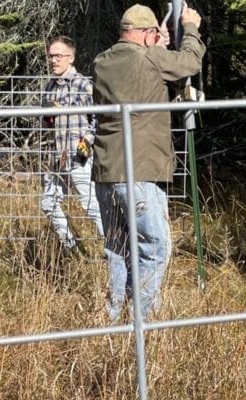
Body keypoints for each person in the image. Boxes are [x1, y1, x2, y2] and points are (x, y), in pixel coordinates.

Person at [92, 3, 205, 321]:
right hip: (139, 168)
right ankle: (142, 320)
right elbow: (190, 62)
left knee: (117, 245)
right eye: (153, 33)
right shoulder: (151, 57)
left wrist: (156, 44)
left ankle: (112, 316)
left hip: (106, 168)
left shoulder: (102, 61)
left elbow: (142, 79)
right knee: (155, 245)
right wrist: (192, 28)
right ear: (145, 34)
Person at [39, 36, 104, 253]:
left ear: (71, 57)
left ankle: (112, 250)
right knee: (48, 203)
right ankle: (71, 249)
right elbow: (47, 122)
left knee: (90, 205)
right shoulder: (50, 86)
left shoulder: (83, 84)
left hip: (79, 158)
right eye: (51, 56)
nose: (54, 60)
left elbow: (98, 118)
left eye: (58, 56)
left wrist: (85, 144)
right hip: (56, 158)